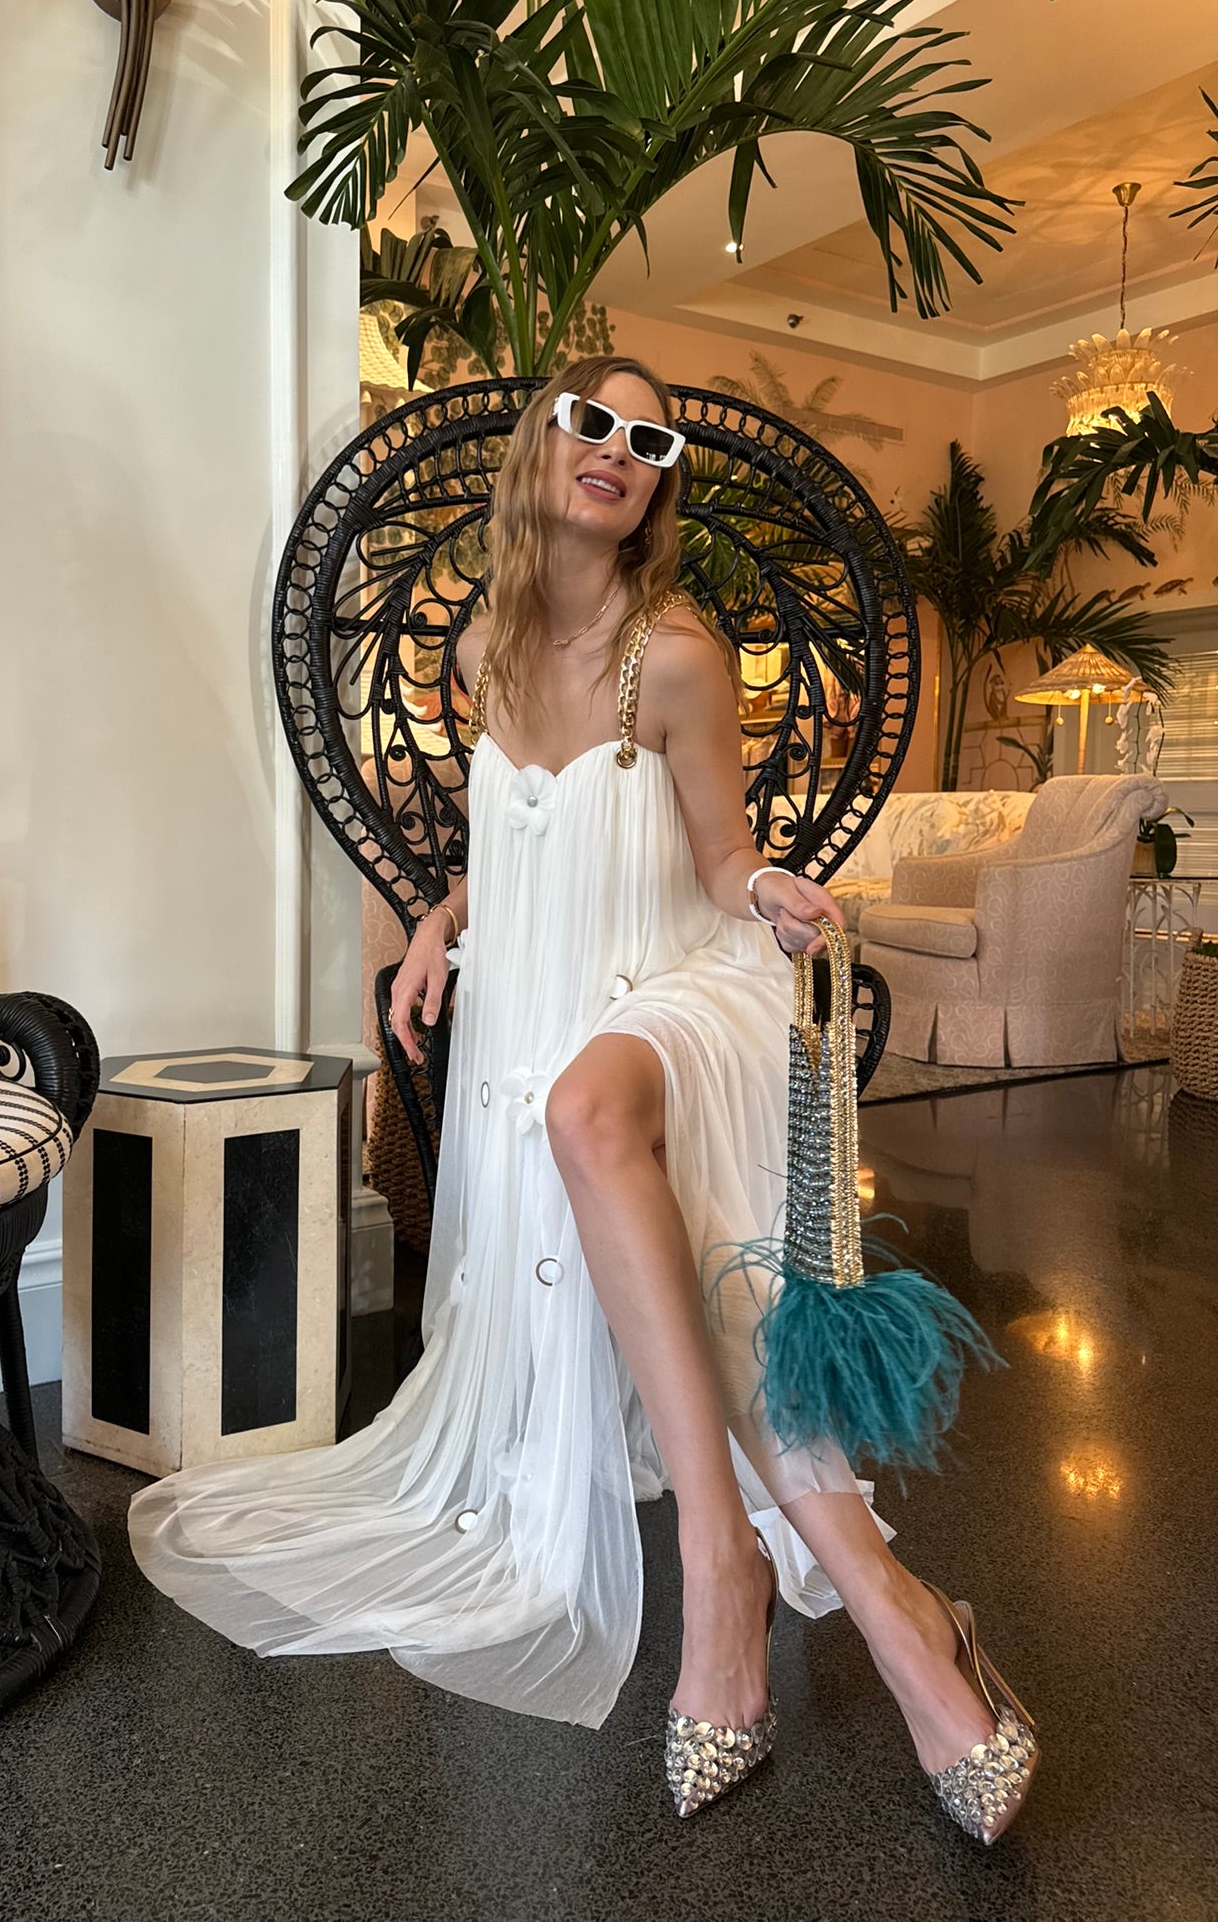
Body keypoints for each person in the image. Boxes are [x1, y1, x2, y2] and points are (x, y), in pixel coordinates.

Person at [128, 357, 1037, 1840]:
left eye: (648, 437)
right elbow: (517, 840)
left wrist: (771, 889)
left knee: (585, 1110)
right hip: (540, 1013)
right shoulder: (485, 645)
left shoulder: (673, 655)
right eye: (592, 421)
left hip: (682, 991)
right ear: (540, 445)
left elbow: (715, 854)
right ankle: (889, 1610)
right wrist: (442, 920)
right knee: (604, 1145)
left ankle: (731, 1577)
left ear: (659, 482)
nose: (619, 447)